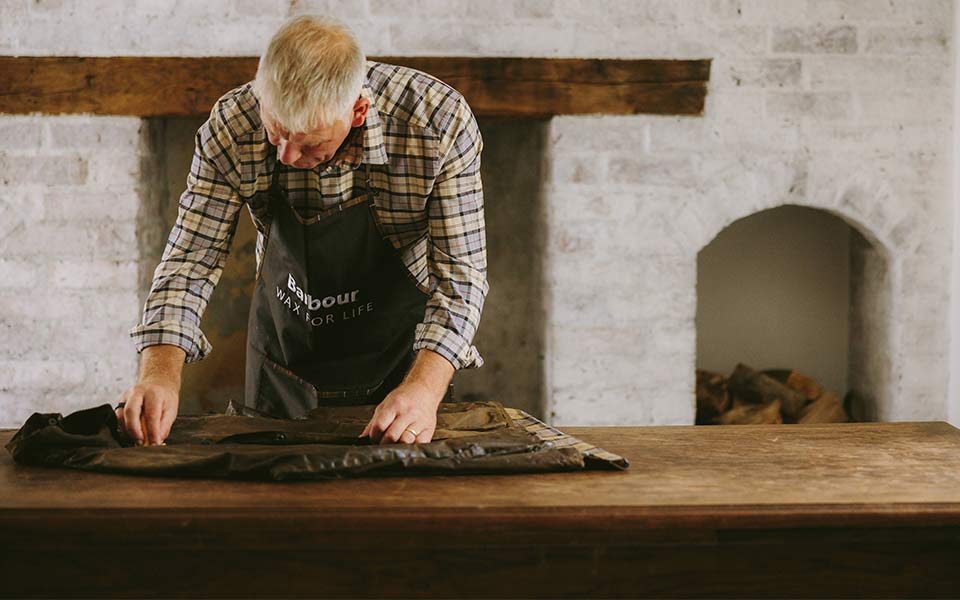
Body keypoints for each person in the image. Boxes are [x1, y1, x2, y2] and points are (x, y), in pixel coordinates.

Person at [116, 15, 488, 447]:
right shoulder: (232, 126)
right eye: (276, 135)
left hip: (402, 360)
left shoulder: (439, 124)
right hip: (284, 355)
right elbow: (189, 261)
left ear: (358, 111)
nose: (288, 156)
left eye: (310, 143)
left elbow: (461, 277)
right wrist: (159, 374)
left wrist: (424, 388)